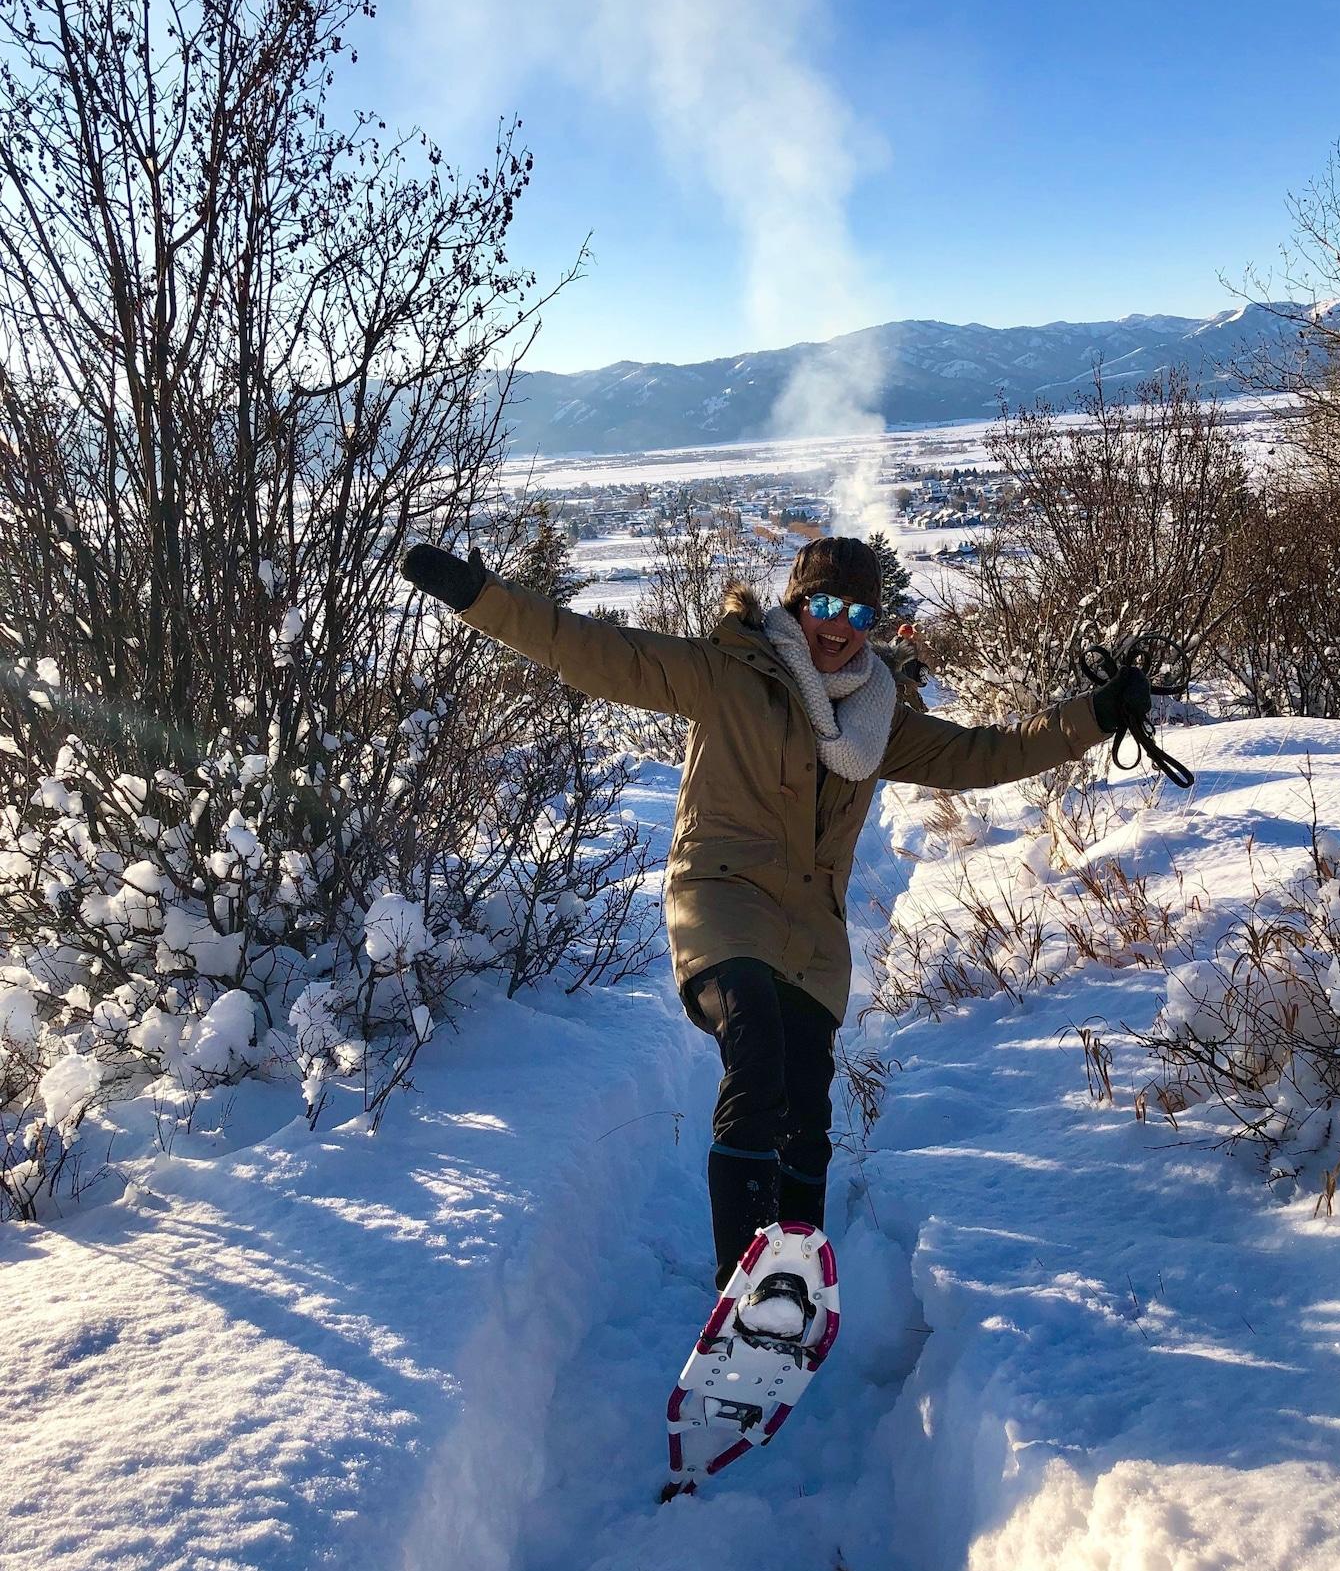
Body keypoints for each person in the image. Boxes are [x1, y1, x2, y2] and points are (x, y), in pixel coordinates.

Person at [401, 534, 1148, 1292]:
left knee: (806, 1116)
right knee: (754, 1055)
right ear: (796, 604)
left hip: (811, 935)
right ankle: (744, 1293)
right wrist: (480, 598)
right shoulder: (727, 671)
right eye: (824, 603)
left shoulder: (877, 716)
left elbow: (986, 754)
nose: (841, 622)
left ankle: (793, 1288)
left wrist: (1094, 715)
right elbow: (591, 649)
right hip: (721, 902)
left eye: (860, 610)